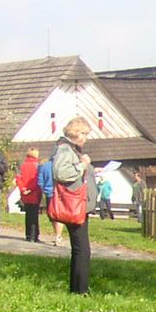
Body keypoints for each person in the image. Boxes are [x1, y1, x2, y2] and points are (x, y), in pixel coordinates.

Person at [53, 117, 97, 295]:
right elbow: (61, 172)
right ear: (77, 132)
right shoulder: (65, 149)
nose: (86, 138)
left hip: (79, 204)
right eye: (85, 134)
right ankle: (80, 290)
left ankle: (78, 288)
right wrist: (83, 165)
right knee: (82, 250)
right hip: (74, 205)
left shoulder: (71, 149)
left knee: (81, 249)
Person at [37, 149, 64, 246]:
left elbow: (40, 180)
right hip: (61, 194)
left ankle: (57, 235)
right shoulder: (62, 165)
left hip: (49, 194)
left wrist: (44, 189)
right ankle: (58, 235)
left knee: (52, 216)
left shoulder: (44, 166)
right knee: (59, 216)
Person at [16, 147, 42, 243]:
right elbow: (37, 180)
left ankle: (27, 234)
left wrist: (23, 188)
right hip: (34, 192)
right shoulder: (37, 165)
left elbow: (18, 178)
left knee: (28, 213)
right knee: (34, 215)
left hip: (24, 193)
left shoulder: (22, 165)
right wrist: (30, 189)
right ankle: (34, 235)